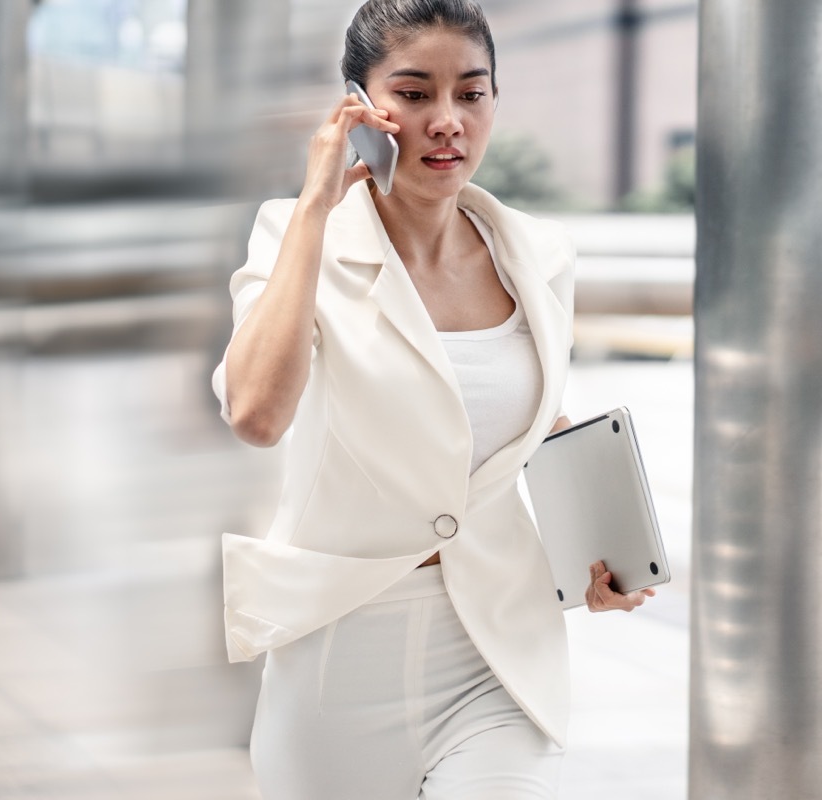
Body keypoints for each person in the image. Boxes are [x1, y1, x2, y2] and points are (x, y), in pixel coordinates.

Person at [210, 1, 656, 798]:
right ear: (360, 107)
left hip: (496, 646)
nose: (447, 121)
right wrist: (316, 205)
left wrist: (599, 542)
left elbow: (523, 423)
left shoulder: (538, 253)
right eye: (414, 95)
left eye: (471, 94)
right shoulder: (296, 237)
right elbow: (257, 415)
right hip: (339, 651)